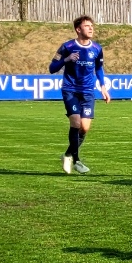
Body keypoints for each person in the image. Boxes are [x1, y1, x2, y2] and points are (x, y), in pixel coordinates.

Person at [49, 15, 110, 174]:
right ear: (78, 29)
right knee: (76, 123)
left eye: (92, 26)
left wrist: (103, 87)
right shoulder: (67, 47)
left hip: (88, 92)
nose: (91, 28)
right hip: (70, 90)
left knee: (84, 127)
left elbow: (99, 68)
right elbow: (52, 68)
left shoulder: (97, 48)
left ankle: (67, 154)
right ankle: (76, 161)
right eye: (87, 26)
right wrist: (66, 59)